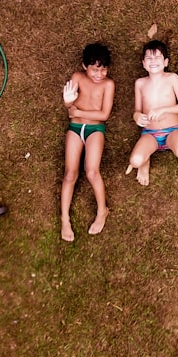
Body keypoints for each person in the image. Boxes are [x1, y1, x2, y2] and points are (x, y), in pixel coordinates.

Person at [126, 36, 178, 186]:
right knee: (135, 161)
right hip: (149, 133)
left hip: (172, 131)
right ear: (143, 64)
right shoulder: (140, 83)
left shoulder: (172, 78)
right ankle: (144, 161)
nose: (153, 60)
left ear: (166, 62)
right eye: (148, 58)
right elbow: (137, 110)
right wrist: (137, 117)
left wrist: (164, 109)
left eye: (157, 57)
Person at [60, 43, 115, 242]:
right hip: (75, 129)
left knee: (92, 171)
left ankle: (102, 211)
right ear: (85, 66)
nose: (99, 74)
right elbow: (69, 106)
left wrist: (78, 111)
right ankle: (65, 219)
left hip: (95, 130)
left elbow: (104, 114)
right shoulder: (77, 78)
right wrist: (67, 102)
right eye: (95, 69)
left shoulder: (108, 84)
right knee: (70, 174)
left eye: (103, 69)